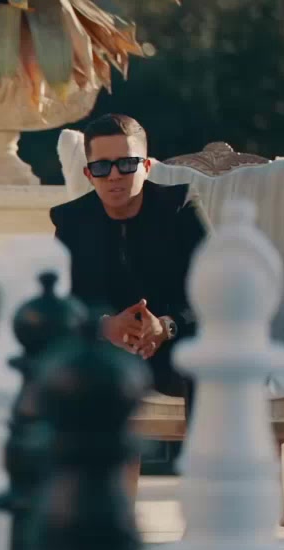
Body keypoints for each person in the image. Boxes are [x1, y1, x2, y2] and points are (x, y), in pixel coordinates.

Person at [50, 113, 208, 499]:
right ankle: (100, 506)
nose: (115, 176)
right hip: (104, 348)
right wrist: (104, 326)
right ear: (89, 174)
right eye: (102, 167)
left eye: (126, 163)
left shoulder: (181, 206)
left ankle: (206, 498)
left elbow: (215, 291)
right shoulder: (71, 221)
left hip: (175, 347)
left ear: (147, 166)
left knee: (207, 363)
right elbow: (62, 303)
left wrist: (167, 325)